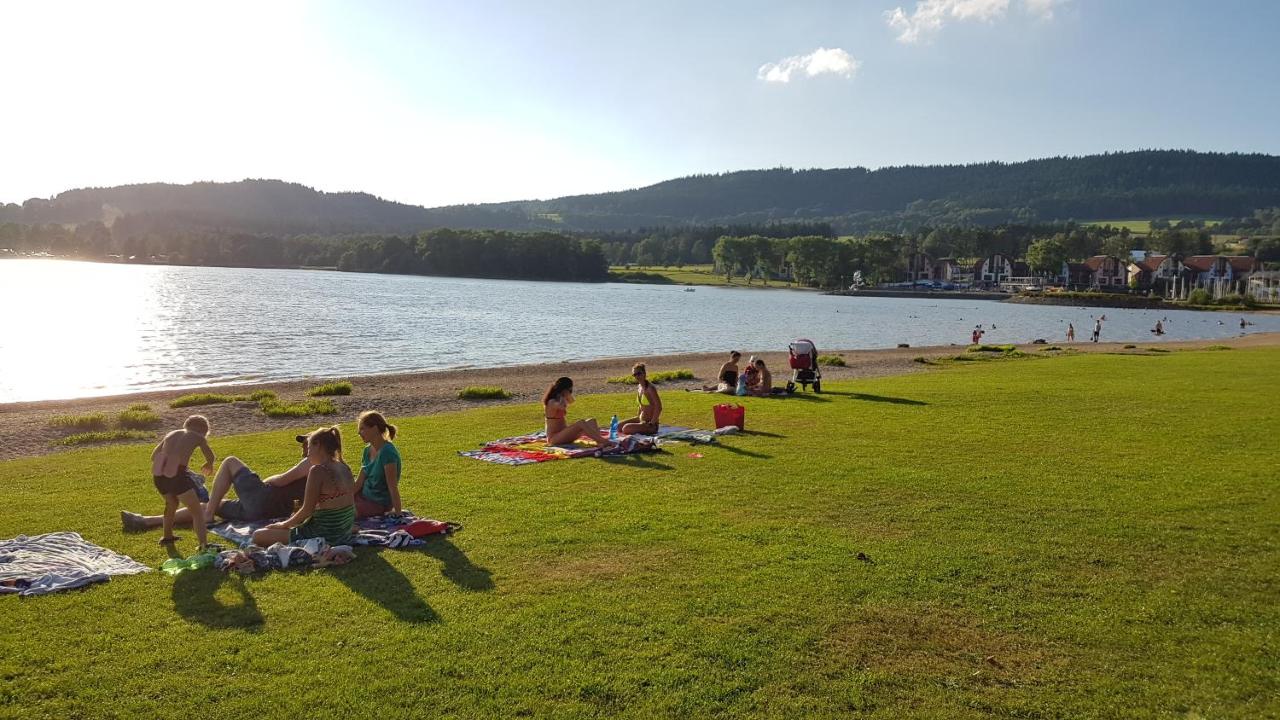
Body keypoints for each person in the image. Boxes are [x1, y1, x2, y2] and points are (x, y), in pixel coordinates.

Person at [122, 437, 311, 531]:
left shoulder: (312, 462)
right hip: (271, 512)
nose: (303, 447)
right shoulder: (332, 469)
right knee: (207, 504)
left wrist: (266, 481)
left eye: (307, 443)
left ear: (318, 446)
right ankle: (146, 521)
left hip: (264, 501)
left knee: (230, 462)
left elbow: (282, 480)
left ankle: (209, 515)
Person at [251, 426, 355, 547]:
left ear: (319, 445)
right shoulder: (344, 467)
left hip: (324, 536)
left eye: (309, 448)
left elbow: (307, 510)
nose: (307, 454)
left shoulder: (318, 471)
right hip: (343, 533)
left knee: (257, 535)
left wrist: (284, 524)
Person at [149, 415, 215, 548]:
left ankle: (167, 537)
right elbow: (210, 455)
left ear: (186, 425)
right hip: (177, 476)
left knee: (171, 503)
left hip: (159, 476)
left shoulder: (171, 434)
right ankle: (204, 545)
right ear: (203, 430)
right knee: (197, 512)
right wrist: (209, 464)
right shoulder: (199, 437)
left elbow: (154, 456)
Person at [353, 410, 403, 519]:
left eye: (362, 428)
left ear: (374, 428)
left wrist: (398, 512)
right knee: (335, 505)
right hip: (363, 495)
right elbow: (359, 482)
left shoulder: (387, 452)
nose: (359, 433)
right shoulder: (367, 450)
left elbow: (392, 487)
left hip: (378, 503)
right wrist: (344, 497)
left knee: (345, 514)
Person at [543, 377, 614, 448]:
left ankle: (599, 441)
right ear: (564, 389)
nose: (570, 391)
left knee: (592, 421)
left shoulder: (561, 398)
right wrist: (562, 395)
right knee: (581, 423)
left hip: (564, 434)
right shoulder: (551, 402)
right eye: (569, 389)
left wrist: (565, 394)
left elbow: (571, 401)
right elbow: (562, 406)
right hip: (554, 438)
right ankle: (603, 441)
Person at [619, 363, 662, 435]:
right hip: (641, 420)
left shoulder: (650, 388)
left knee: (626, 428)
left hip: (650, 424)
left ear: (644, 373)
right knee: (617, 426)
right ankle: (639, 426)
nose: (637, 376)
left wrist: (652, 423)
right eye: (634, 375)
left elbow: (659, 407)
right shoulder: (639, 387)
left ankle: (648, 428)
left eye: (639, 373)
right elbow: (641, 406)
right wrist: (637, 418)